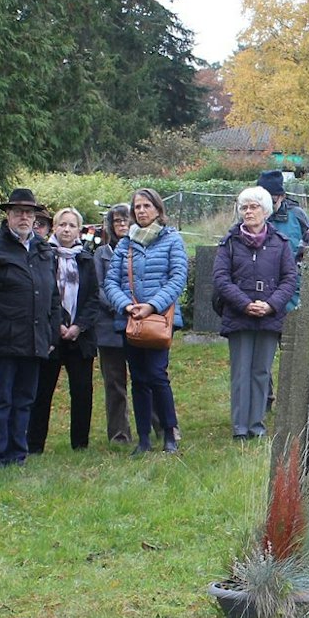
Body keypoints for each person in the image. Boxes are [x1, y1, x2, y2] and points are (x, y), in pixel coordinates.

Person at [0, 188, 55, 468]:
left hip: (34, 338)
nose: (24, 217)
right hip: (1, 337)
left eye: (29, 213)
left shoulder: (43, 249)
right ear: (8, 215)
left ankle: (17, 455)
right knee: (0, 400)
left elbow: (53, 294)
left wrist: (51, 334)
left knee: (24, 400)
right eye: (18, 212)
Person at [105, 187, 188, 454]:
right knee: (138, 378)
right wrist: (127, 306)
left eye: (146, 206)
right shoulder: (126, 244)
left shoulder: (172, 240)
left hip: (159, 320)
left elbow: (178, 278)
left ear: (157, 209)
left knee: (157, 375)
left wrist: (152, 306)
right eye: (137, 207)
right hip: (131, 320)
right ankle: (143, 439)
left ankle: (169, 433)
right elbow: (111, 281)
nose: (141, 211)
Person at [214, 186, 300, 439]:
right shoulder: (229, 242)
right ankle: (240, 427)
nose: (248, 212)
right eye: (244, 207)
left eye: (254, 207)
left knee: (262, 371)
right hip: (239, 315)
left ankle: (256, 425)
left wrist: (271, 305)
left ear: (266, 211)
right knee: (241, 371)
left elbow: (290, 279)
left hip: (269, 316)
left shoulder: (280, 243)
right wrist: (244, 303)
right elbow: (221, 278)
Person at [28, 208, 104, 454]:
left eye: (72, 225)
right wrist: (58, 324)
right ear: (54, 227)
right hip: (51, 334)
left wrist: (78, 326)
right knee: (42, 391)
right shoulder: (43, 256)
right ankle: (34, 445)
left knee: (82, 392)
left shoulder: (86, 259)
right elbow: (42, 294)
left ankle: (80, 444)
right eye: (62, 224)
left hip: (81, 336)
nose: (67, 230)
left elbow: (93, 297)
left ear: (79, 230)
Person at [93, 203, 132, 445]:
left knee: (147, 379)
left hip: (141, 324)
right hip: (109, 327)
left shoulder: (143, 250)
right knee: (114, 383)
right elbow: (98, 287)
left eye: (126, 220)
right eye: (117, 221)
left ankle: (159, 428)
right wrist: (121, 306)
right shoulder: (101, 254)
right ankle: (119, 434)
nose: (122, 224)